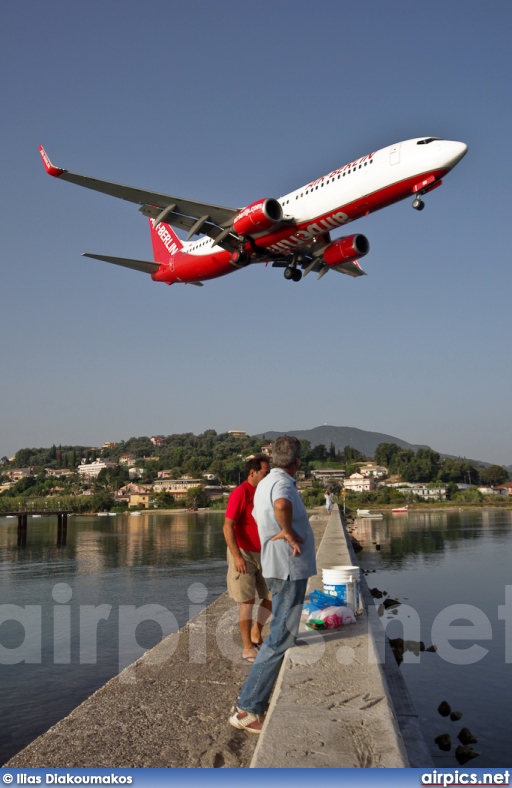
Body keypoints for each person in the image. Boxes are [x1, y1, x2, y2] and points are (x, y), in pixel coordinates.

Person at [229, 435, 316, 734]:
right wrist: (288, 531)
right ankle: (247, 708)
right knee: (278, 638)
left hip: (276, 566)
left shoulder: (263, 481)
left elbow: (259, 512)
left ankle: (248, 703)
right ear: (297, 461)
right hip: (289, 567)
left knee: (281, 630)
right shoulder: (281, 483)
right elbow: (281, 504)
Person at [223, 454, 272, 663]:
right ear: (252, 472)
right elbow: (227, 526)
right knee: (247, 601)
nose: (268, 476)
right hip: (243, 552)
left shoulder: (264, 492)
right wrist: (236, 557)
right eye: (265, 473)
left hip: (265, 552)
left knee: (272, 597)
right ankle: (247, 647)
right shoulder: (240, 493)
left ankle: (256, 631)